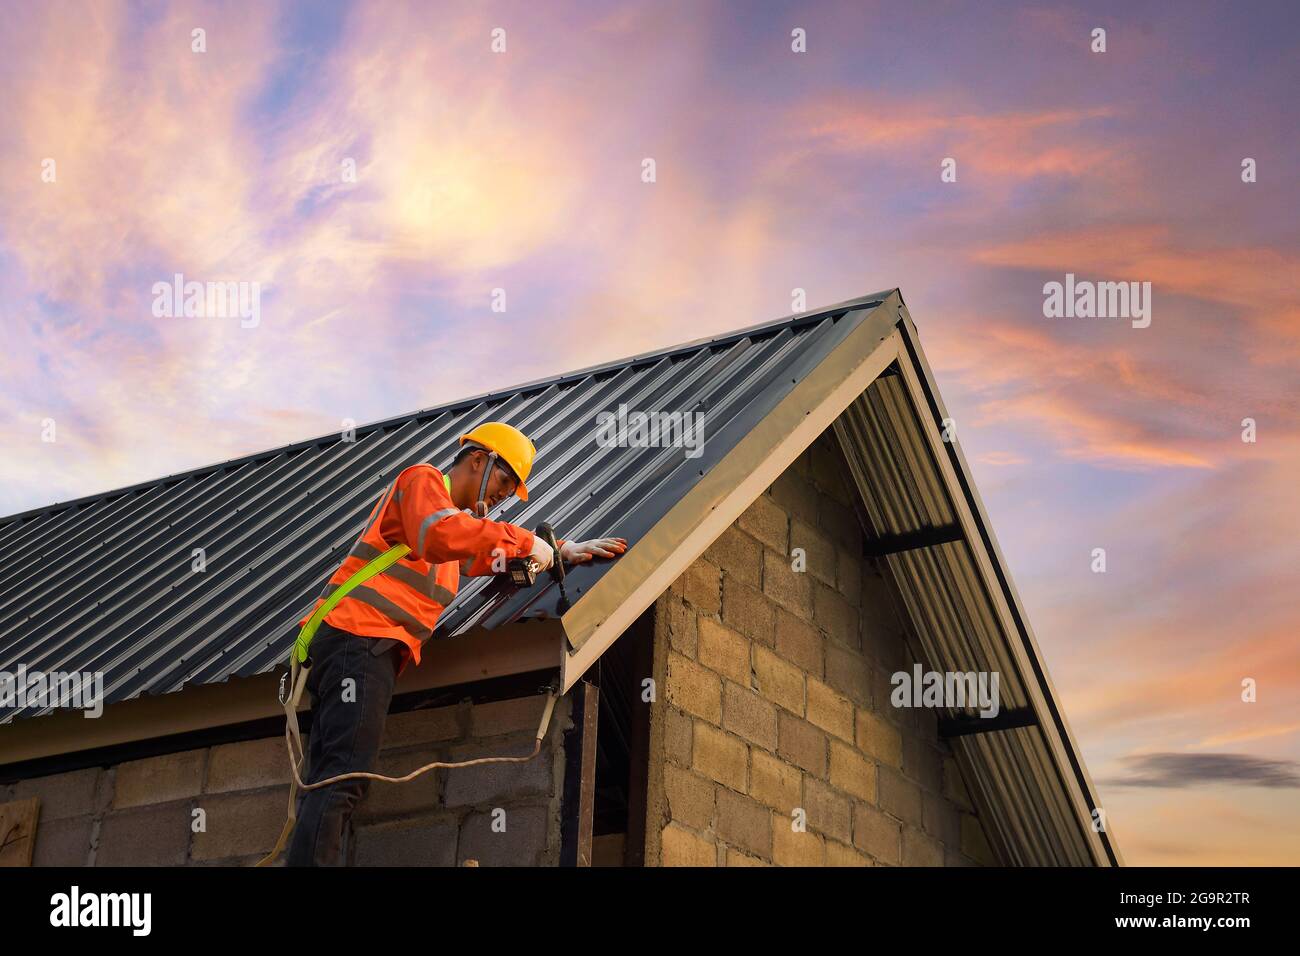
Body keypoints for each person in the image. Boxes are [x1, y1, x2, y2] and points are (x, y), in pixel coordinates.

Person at [286, 422, 627, 866]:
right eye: (506, 479)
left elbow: (484, 551)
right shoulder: (422, 482)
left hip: (366, 648)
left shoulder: (456, 532)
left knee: (335, 778)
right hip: (359, 637)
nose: (506, 493)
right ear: (478, 459)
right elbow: (441, 535)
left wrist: (556, 551)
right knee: (343, 778)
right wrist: (528, 539)